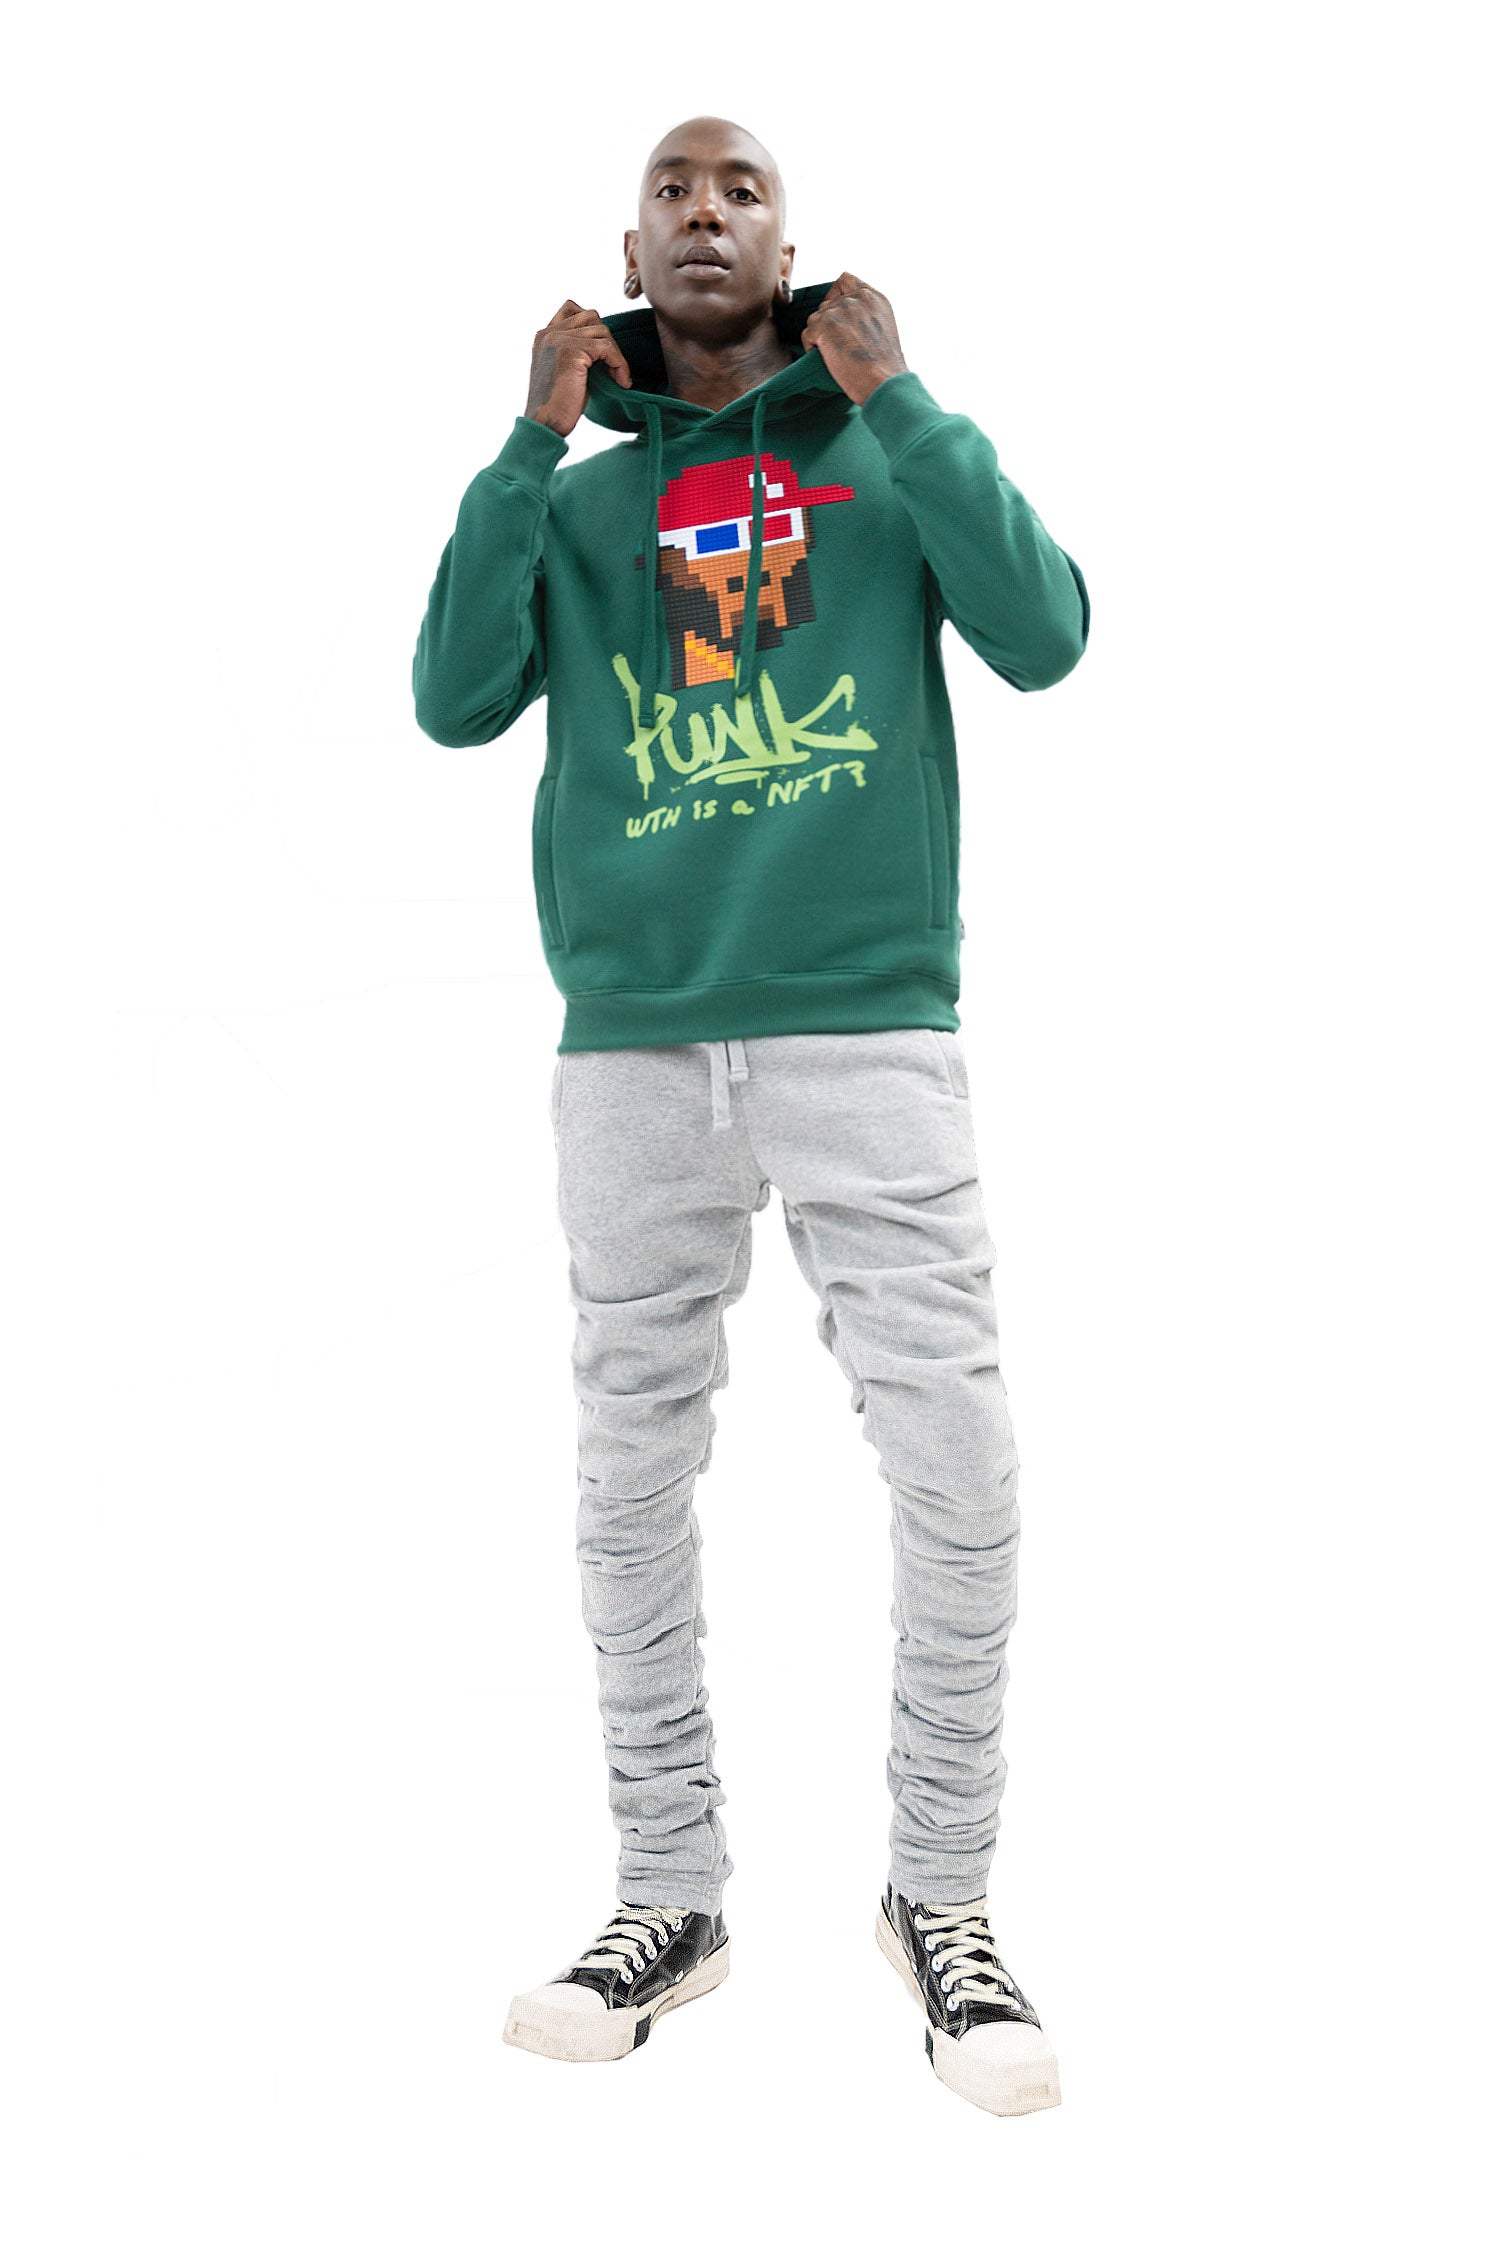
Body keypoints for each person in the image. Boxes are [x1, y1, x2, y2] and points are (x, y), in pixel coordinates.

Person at [412, 115, 1089, 2118]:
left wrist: (909, 398)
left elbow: (1048, 635)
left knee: (957, 1464)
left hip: (866, 1030)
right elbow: (453, 699)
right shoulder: (581, 502)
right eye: (673, 190)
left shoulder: (881, 457)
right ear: (628, 249)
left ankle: (941, 1898)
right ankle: (670, 1893)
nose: (706, 209)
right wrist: (525, 446)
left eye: (744, 189)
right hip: (632, 1046)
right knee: (629, 1478)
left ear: (791, 247)